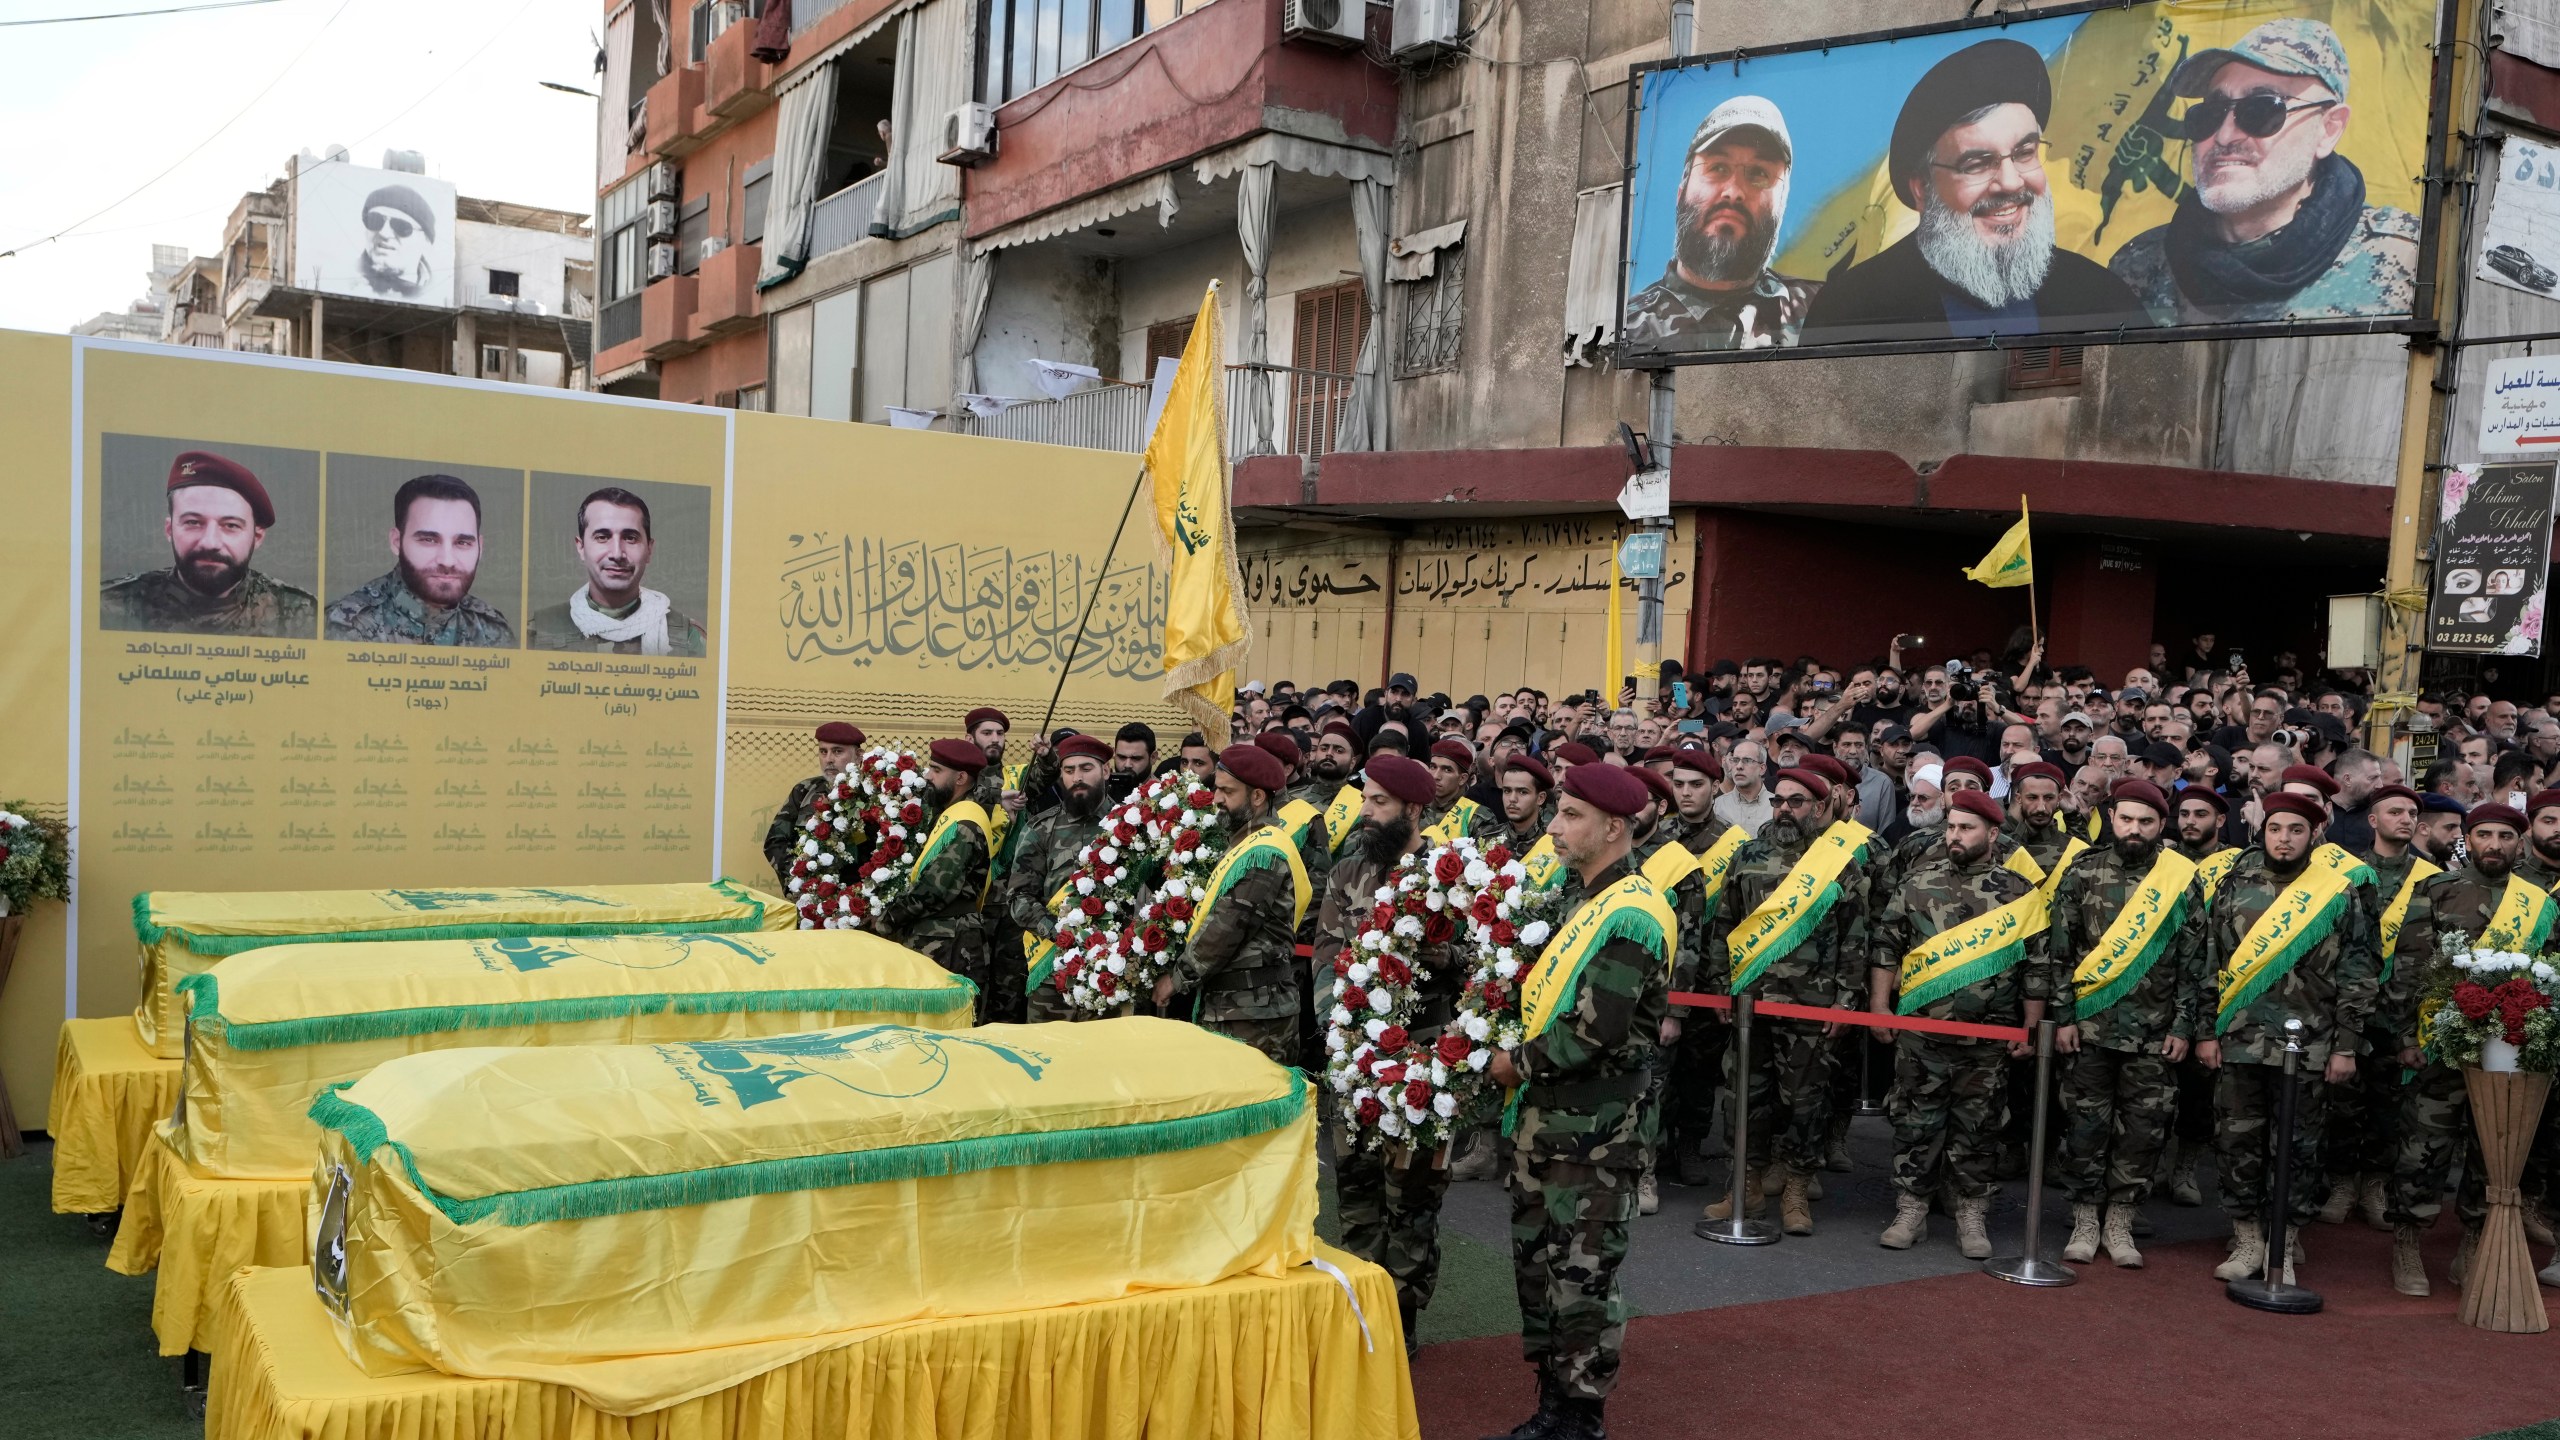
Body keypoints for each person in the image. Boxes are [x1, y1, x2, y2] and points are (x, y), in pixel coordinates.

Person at [1483, 763, 1673, 1440]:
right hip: (1548, 1125)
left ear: (1613, 828)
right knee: (1540, 1271)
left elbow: (1596, 1029)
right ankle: (1553, 1407)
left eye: (1570, 816)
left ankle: (1580, 1417)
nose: (1557, 828)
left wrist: (1513, 1064)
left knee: (1582, 1278)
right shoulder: (1582, 898)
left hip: (1597, 1134)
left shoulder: (1632, 914)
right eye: (1559, 814)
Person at [1797, 38, 2150, 345]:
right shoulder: (1851, 308)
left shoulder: (2100, 295)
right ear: (1922, 189)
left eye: (2025, 153)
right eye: (1977, 164)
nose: (2011, 182)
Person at [2107, 19, 2417, 326]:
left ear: (2328, 130)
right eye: (2211, 113)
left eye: (2261, 110)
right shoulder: (2136, 267)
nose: (2225, 136)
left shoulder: (2408, 258)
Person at [2199, 792, 2381, 1286]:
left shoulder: (2337, 890)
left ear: (2315, 834)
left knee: (2299, 1144)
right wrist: (2205, 1032)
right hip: (2239, 1036)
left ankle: (2285, 1238)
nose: (2285, 838)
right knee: (2238, 1139)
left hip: (2312, 1041)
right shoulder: (2234, 883)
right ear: (2263, 830)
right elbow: (2207, 960)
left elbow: (2359, 970)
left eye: (2296, 830)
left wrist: (2346, 1044)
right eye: (2276, 828)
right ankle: (2246, 1236)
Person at [1313, 753, 1456, 1355]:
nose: (1365, 813)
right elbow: (1324, 950)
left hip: (1421, 1055)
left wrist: (1418, 954)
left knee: (1412, 1192)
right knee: (1356, 1185)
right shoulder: (1348, 868)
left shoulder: (1447, 873)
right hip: (1352, 1053)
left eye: (1379, 804)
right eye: (1365, 800)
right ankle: (1356, 1309)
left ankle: (1402, 1319)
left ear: (1413, 811)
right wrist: (1333, 1016)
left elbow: (1474, 966)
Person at [2382, 803, 2556, 1295]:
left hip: (2509, 1048)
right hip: (2441, 1045)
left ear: (2520, 844)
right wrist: (2407, 1038)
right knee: (2424, 1146)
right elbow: (2409, 970)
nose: (2494, 844)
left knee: (2493, 1150)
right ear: (2468, 840)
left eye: (2505, 836)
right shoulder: (2438, 889)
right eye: (2484, 834)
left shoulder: (2541, 898)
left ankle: (2475, 1242)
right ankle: (2408, 1241)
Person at [1870, 788, 2044, 1256]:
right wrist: (1881, 1007)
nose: (1955, 836)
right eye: (1951, 827)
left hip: (1989, 1037)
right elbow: (1887, 946)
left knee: (1979, 1127)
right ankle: (1912, 1210)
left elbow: (2037, 965)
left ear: (1992, 833)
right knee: (1915, 1122)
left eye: (1966, 828)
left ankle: (1971, 1215)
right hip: (1922, 1031)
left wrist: (2029, 1027)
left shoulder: (2018, 891)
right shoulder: (1918, 882)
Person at [1701, 767, 1871, 1236]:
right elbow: (1723, 925)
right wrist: (1720, 985)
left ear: (1818, 808)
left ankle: (1796, 1187)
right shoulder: (1747, 856)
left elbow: (1856, 937)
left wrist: (1844, 1002)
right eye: (1779, 801)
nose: (1784, 810)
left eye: (1796, 802)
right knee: (1744, 1100)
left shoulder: (1837, 862)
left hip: (1810, 1006)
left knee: (1804, 1102)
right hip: (1749, 1001)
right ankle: (1746, 1186)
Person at [2050, 779, 2207, 1268]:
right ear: (2111, 818)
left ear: (2162, 825)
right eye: (2126, 819)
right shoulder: (2083, 873)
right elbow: (2060, 954)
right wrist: (2064, 1017)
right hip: (2090, 1027)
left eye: (2146, 821)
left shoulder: (2181, 877)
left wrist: (2183, 1026)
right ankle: (2084, 1218)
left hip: (2155, 1033)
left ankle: (2120, 1221)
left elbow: (2193, 961)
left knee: (2144, 1131)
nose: (2134, 829)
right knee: (2084, 1125)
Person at [2317, 783, 2434, 1241]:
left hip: (2400, 1012)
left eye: (2411, 813)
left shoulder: (2432, 877)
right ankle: (2343, 1184)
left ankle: (2375, 1187)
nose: (2404, 819)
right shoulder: (2347, 872)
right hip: (2349, 1009)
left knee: (2390, 1107)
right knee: (2342, 1105)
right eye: (2394, 812)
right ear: (2373, 820)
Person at [1154, 744, 1313, 1066]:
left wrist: (1176, 979)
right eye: (1217, 789)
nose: (1217, 799)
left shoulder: (1263, 852)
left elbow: (1226, 929)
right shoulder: (1246, 843)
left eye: (1228, 791)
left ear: (1257, 797)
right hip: (1238, 1006)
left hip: (1255, 1013)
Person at [1624, 96, 1818, 351]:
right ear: (1680, 191)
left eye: (1759, 173)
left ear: (1781, 205)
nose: (1734, 191)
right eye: (1718, 167)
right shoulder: (1627, 330)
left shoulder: (1826, 310)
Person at [101, 449, 318, 637]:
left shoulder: (299, 614)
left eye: (231, 525)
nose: (210, 542)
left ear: (257, 537)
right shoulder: (110, 606)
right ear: (170, 530)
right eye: (193, 522)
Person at [876, 739, 999, 1015]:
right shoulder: (947, 815)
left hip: (951, 945)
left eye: (936, 770)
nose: (928, 776)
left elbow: (934, 890)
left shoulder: (965, 823)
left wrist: (884, 921)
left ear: (961, 778)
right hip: (938, 939)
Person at [324, 473, 516, 645]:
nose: (447, 561)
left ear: (479, 547)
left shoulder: (493, 631)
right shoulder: (346, 625)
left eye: (463, 543)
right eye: (429, 540)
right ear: (396, 542)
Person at [524, 487, 708, 655]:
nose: (617, 553)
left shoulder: (687, 637)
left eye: (630, 538)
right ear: (581, 547)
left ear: (649, 549)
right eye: (602, 537)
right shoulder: (538, 632)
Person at [1010, 735, 1114, 1022]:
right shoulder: (1041, 827)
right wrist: (1059, 933)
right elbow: (1019, 898)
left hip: (1112, 969)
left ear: (1105, 771)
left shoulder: (1129, 824)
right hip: (1052, 969)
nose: (1077, 778)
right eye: (1069, 771)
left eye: (1086, 769)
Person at [763, 720, 862, 890]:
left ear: (859, 755)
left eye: (837, 751)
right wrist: (800, 880)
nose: (829, 759)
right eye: (823, 752)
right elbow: (775, 842)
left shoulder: (873, 795)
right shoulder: (804, 791)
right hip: (809, 897)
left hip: (859, 901)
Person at [357, 183, 438, 298]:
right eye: (375, 220)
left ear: (426, 241)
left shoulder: (436, 294)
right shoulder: (342, 279)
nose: (384, 233)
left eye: (402, 227)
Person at [1424, 737, 1484, 840]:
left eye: (1447, 770)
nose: (1436, 776)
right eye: (1433, 767)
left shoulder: (1476, 817)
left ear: (1462, 778)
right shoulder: (1414, 808)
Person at [1713, 738, 1773, 836]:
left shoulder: (1777, 806)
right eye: (1735, 760)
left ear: (1762, 769)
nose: (1739, 766)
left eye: (1747, 760)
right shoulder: (1717, 807)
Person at [1109, 722, 1157, 801]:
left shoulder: (1164, 796)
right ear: (1114, 754)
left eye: (1136, 758)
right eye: (1122, 757)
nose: (1127, 765)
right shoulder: (1102, 793)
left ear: (1153, 757)